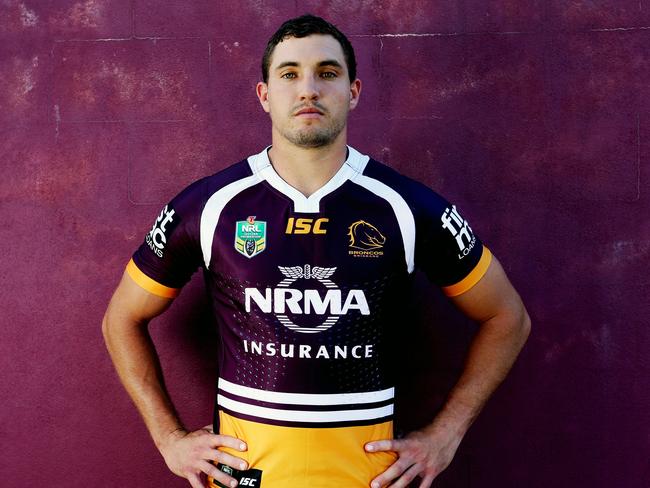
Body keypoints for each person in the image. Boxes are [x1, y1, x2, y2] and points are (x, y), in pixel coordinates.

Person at [102, 14, 531, 488]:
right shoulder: (210, 205)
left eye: (327, 73)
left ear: (354, 91)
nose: (308, 89)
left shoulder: (406, 207)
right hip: (249, 480)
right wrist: (169, 439)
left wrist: (446, 435)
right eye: (289, 74)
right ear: (265, 95)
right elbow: (121, 318)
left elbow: (507, 316)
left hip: (367, 479)